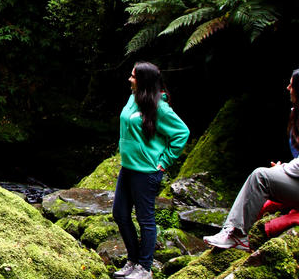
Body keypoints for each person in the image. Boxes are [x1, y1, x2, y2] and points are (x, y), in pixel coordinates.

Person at [203, 68, 299, 251]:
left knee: (260, 177)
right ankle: (232, 231)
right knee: (263, 177)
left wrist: (283, 169)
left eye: (292, 85)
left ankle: (237, 234)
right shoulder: (296, 113)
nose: (287, 88)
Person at [112, 62, 190, 279]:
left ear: (144, 81)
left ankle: (145, 268)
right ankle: (133, 260)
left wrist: (164, 161)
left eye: (133, 77)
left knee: (145, 219)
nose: (130, 79)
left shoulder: (160, 108)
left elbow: (181, 133)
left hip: (146, 171)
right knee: (119, 213)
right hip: (128, 167)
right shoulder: (133, 98)